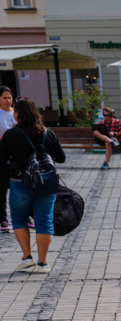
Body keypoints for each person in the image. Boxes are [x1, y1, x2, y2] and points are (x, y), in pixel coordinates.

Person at [0, 98, 66, 274]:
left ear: (17, 114)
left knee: (19, 219)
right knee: (44, 221)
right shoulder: (47, 133)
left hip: (19, 183)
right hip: (46, 183)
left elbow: (1, 159)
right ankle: (43, 263)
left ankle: (27, 257)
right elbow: (61, 158)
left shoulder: (11, 135)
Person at [92, 106, 121, 171]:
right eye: (104, 115)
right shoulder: (101, 123)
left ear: (111, 114)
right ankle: (110, 141)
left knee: (107, 143)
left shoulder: (118, 122)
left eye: (108, 115)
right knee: (96, 132)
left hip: (115, 140)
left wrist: (113, 134)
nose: (106, 117)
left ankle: (106, 163)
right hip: (105, 139)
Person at [0, 86, 14, 234]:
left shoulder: (16, 113)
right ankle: (3, 219)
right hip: (2, 156)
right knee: (2, 189)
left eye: (9, 97)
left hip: (17, 156)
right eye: (4, 98)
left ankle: (26, 215)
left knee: (20, 188)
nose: (8, 101)